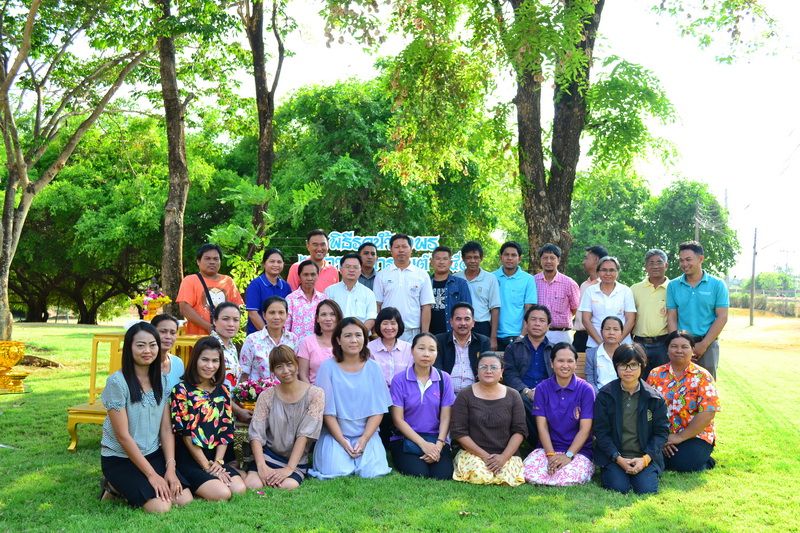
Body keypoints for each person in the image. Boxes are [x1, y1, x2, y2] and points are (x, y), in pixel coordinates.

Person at [99, 322, 193, 512]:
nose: (147, 350)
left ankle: (122, 486)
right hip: (121, 458)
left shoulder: (163, 380)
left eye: (152, 345)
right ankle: (114, 485)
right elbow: (123, 436)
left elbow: (166, 429)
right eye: (140, 345)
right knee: (161, 507)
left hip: (152, 453)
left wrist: (170, 469)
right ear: (129, 348)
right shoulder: (117, 382)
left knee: (184, 499)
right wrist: (152, 476)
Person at [309, 318, 393, 479]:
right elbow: (326, 412)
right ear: (338, 340)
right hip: (335, 434)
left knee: (372, 472)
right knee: (336, 471)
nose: (353, 340)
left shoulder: (373, 368)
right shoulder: (327, 367)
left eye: (358, 335)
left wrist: (365, 438)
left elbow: (378, 410)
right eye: (347, 336)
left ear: (365, 339)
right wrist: (342, 440)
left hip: (367, 433)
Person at [170, 336, 246, 500]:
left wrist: (218, 462)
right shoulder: (181, 391)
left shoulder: (224, 391)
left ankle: (213, 478)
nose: (210, 366)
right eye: (204, 360)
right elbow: (186, 435)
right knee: (223, 494)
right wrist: (206, 466)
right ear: (195, 359)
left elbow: (226, 431)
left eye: (215, 361)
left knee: (239, 489)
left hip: (215, 459)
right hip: (191, 459)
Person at [245, 345, 325, 490]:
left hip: (295, 460)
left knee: (288, 485)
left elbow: (304, 435)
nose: (285, 371)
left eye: (289, 364)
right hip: (268, 455)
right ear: (273, 371)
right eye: (279, 367)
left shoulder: (316, 394)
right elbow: (256, 434)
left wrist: (289, 469)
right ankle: (246, 472)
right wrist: (261, 466)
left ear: (296, 364)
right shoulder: (267, 395)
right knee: (253, 484)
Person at [594, 344, 669, 494]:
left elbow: (661, 433)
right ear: (616, 367)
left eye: (634, 365)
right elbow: (600, 432)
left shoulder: (654, 398)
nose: (628, 370)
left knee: (645, 489)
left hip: (644, 456)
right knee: (618, 487)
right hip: (615, 456)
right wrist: (617, 458)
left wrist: (646, 459)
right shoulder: (605, 395)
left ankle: (645, 467)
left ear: (642, 366)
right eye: (623, 365)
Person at [647, 330, 721, 472]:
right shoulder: (655, 374)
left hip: (695, 434)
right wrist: (664, 437)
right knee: (656, 458)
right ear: (667, 349)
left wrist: (679, 437)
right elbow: (648, 407)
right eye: (674, 346)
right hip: (662, 434)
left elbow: (708, 413)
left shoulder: (703, 376)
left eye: (684, 347)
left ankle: (705, 460)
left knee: (681, 464)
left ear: (693, 350)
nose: (679, 351)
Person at [450, 352, 528, 486]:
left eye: (494, 367)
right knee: (479, 475)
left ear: (502, 371)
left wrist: (503, 457)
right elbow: (459, 432)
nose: (489, 371)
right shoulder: (465, 395)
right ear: (477, 371)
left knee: (506, 476)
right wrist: (485, 456)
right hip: (474, 454)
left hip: (506, 454)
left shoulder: (513, 395)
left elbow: (520, 431)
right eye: (484, 367)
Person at [523, 343, 595, 486]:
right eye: (560, 361)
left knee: (567, 477)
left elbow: (585, 429)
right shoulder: (542, 388)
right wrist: (550, 455)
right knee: (527, 472)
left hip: (578, 451)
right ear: (551, 363)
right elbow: (542, 427)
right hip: (547, 449)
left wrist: (568, 455)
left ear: (576, 363)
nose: (565, 365)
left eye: (570, 361)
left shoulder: (586, 389)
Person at [389, 333, 455, 480]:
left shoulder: (444, 379)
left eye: (432, 349)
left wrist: (438, 445)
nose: (426, 354)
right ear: (412, 351)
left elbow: (446, 417)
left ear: (437, 353)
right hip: (406, 439)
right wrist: (423, 445)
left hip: (436, 439)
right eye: (421, 348)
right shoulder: (399, 380)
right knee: (419, 473)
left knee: (442, 475)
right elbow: (398, 420)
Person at [666, 241, 729, 380]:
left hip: (708, 344)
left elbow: (722, 317)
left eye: (688, 259)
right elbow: (672, 317)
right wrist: (676, 345)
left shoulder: (717, 284)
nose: (684, 264)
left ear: (701, 259)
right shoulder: (673, 285)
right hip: (681, 346)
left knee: (706, 388)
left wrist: (703, 344)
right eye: (681, 260)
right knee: (679, 387)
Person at [503, 305, 554, 446]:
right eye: (533, 319)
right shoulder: (513, 348)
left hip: (548, 393)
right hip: (522, 393)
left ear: (548, 325)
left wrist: (543, 391)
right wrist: (527, 391)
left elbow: (559, 374)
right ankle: (541, 443)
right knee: (519, 400)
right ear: (526, 323)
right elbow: (510, 374)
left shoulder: (555, 349)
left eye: (542, 320)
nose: (537, 323)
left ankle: (541, 444)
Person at [374, 233, 435, 342]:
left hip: (412, 331)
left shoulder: (422, 275)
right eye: (397, 247)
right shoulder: (382, 275)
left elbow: (426, 306)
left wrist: (424, 334)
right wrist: (377, 332)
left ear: (411, 249)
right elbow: (377, 305)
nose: (401, 250)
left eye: (404, 246)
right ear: (391, 251)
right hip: (388, 331)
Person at [177, 243, 243, 336]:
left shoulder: (228, 281)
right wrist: (208, 327)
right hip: (197, 337)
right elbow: (184, 307)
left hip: (223, 337)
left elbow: (236, 308)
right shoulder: (190, 280)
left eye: (216, 259)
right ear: (198, 261)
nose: (212, 262)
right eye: (207, 258)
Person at [578, 256, 637, 349]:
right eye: (604, 270)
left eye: (612, 270)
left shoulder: (626, 291)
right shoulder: (590, 291)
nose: (608, 273)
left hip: (622, 345)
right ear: (598, 272)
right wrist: (601, 343)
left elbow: (631, 320)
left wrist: (616, 342)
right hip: (595, 344)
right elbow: (586, 320)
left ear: (617, 272)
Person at [433, 302, 491, 395]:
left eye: (467, 319)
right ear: (451, 322)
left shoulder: (483, 342)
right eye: (458, 319)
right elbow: (436, 370)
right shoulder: (439, 340)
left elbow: (486, 369)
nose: (463, 323)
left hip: (475, 394)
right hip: (446, 394)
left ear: (473, 323)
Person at [240, 296, 300, 382]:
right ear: (264, 315)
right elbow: (244, 373)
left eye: (281, 313)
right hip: (259, 394)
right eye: (272, 313)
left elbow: (296, 372)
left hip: (286, 393)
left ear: (287, 315)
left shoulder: (292, 339)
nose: (276, 317)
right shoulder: (252, 340)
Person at [631, 249, 671, 377]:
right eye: (651, 263)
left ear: (666, 265)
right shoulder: (635, 289)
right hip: (639, 344)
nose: (655, 266)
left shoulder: (673, 288)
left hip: (663, 346)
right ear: (646, 267)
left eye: (659, 262)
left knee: (662, 382)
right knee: (638, 381)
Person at [209, 302, 251, 423]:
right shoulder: (211, 346)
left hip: (229, 412)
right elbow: (212, 387)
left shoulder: (231, 347)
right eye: (225, 319)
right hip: (214, 413)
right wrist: (238, 410)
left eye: (235, 320)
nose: (231, 324)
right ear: (215, 321)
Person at [454, 241, 501, 348]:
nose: (472, 261)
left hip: (482, 326)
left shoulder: (490, 279)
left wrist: (493, 338)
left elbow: (495, 308)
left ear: (481, 258)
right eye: (469, 257)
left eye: (476, 257)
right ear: (463, 258)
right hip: (460, 325)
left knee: (482, 360)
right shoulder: (456, 278)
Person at [493, 241, 537, 351]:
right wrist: (492, 337)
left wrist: (522, 335)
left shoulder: (528, 279)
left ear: (520, 259)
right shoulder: (491, 277)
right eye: (506, 255)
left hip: (518, 336)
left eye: (513, 255)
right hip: (495, 336)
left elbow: (529, 309)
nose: (509, 258)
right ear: (501, 257)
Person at [533, 243, 580, 345]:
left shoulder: (569, 283)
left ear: (558, 260)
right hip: (538, 334)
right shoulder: (533, 281)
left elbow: (575, 308)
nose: (548, 261)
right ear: (540, 260)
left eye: (552, 258)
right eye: (545, 258)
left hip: (562, 334)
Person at [324, 252, 377, 331]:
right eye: (348, 267)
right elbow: (325, 316)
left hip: (360, 339)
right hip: (335, 336)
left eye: (355, 267)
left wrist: (359, 335)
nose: (351, 270)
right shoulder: (330, 291)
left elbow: (371, 318)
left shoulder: (368, 293)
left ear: (360, 270)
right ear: (341, 270)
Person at [244, 248, 291, 335]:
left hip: (280, 337)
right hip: (258, 337)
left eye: (279, 262)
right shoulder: (255, 285)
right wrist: (268, 335)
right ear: (264, 264)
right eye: (272, 261)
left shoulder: (286, 287)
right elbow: (253, 314)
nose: (276, 265)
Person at [428, 246, 472, 336]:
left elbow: (468, 309)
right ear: (431, 262)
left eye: (445, 259)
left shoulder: (460, 284)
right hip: (429, 334)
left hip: (453, 334)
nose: (441, 262)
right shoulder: (425, 283)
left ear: (450, 263)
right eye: (438, 259)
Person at [298, 299, 343, 385]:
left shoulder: (345, 340)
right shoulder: (307, 342)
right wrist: (313, 394)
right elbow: (303, 375)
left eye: (332, 314)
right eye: (323, 315)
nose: (328, 319)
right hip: (315, 394)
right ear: (317, 319)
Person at [572, 245, 608, 352]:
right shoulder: (584, 285)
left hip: (598, 338)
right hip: (579, 338)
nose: (583, 262)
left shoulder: (606, 286)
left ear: (596, 260)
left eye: (586, 258)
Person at [286, 259, 327, 341]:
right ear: (299, 276)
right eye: (305, 275)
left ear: (318, 276)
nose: (309, 278)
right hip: (297, 349)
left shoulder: (324, 299)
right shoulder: (290, 299)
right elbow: (286, 329)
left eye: (313, 274)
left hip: (319, 348)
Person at [585, 316, 624, 393]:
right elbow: (590, 381)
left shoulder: (627, 353)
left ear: (622, 333)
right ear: (601, 332)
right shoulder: (591, 354)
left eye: (615, 329)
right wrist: (600, 397)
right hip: (599, 396)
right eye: (607, 329)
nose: (611, 332)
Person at [151, 314, 184, 390]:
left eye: (172, 333)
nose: (168, 337)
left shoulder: (178, 363)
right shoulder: (143, 363)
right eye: (163, 331)